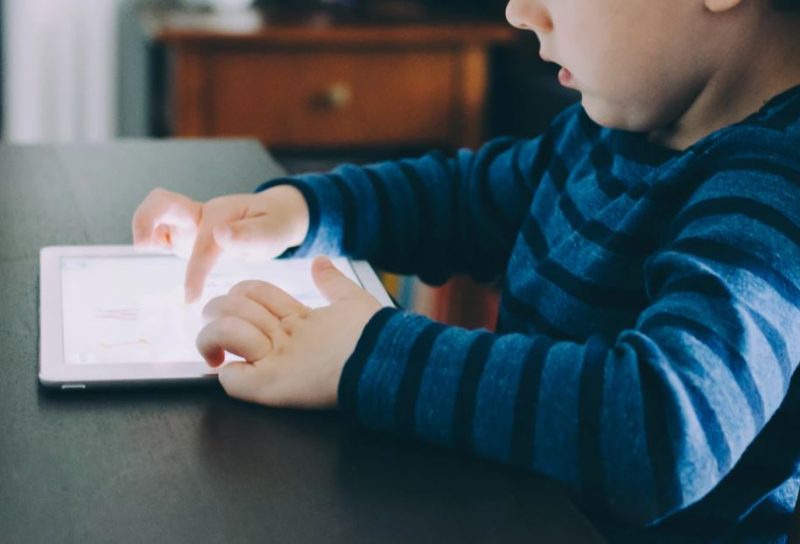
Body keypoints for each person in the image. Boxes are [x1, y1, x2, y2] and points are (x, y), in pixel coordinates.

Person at [131, 0, 800, 541]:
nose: (519, 11)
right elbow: (468, 200)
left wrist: (366, 353)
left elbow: (665, 427)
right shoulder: (625, 126)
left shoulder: (773, 192)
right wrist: (300, 212)